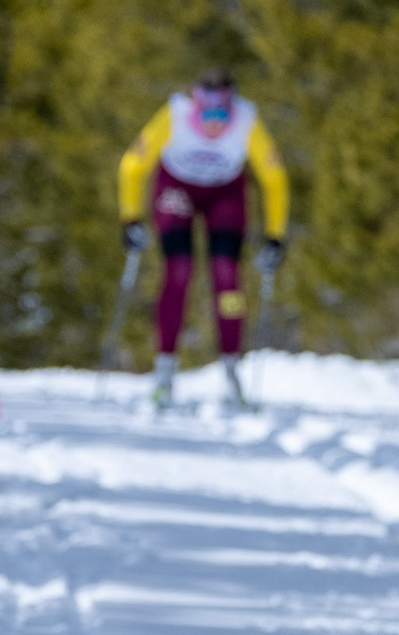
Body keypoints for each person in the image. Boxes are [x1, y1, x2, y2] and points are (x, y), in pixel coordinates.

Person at [116, 69, 293, 408]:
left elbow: (274, 178)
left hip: (225, 192)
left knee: (228, 279)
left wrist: (275, 236)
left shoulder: (247, 121)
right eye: (207, 113)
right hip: (177, 187)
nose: (214, 123)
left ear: (232, 107)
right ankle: (164, 370)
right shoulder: (175, 115)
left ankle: (231, 366)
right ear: (195, 106)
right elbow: (132, 165)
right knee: (178, 271)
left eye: (222, 114)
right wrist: (130, 218)